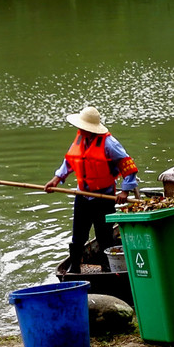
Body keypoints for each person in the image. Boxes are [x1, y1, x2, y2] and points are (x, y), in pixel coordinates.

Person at [44, 106, 138, 273]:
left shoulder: (109, 143)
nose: (80, 129)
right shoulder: (80, 139)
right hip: (82, 195)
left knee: (104, 235)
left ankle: (106, 267)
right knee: (78, 234)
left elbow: (128, 166)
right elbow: (70, 162)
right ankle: (74, 266)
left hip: (104, 195)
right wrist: (56, 179)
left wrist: (125, 191)